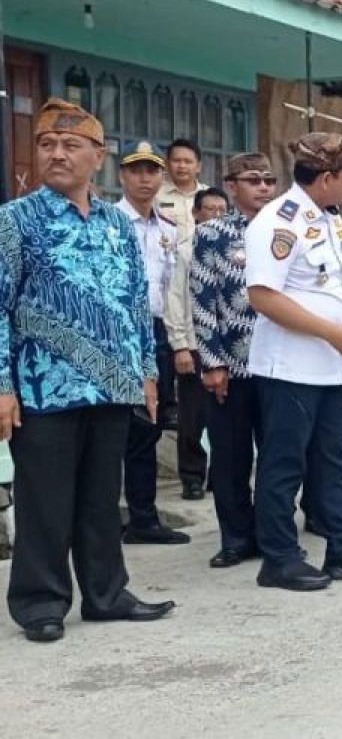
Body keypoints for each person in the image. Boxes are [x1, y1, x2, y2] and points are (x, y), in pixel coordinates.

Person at [0, 99, 175, 643]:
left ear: (97, 157)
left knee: (102, 499)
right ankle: (40, 602)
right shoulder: (15, 221)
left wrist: (146, 373)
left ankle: (106, 593)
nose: (57, 153)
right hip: (43, 387)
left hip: (112, 386)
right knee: (45, 503)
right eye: (48, 144)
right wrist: (3, 384)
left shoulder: (116, 225)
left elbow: (134, 301)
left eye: (71, 145)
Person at [245, 132, 342, 590]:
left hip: (330, 367)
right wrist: (331, 332)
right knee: (283, 464)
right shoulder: (279, 221)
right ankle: (279, 558)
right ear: (328, 177)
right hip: (290, 367)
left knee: (331, 461)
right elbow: (263, 297)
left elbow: (334, 276)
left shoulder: (327, 218)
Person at [191, 153, 277, 568]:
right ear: (231, 185)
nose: (263, 187)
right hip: (234, 362)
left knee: (277, 453)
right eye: (253, 180)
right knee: (230, 456)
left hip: (279, 362)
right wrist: (212, 361)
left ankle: (271, 531)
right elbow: (204, 298)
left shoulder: (285, 229)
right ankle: (236, 538)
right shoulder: (213, 234)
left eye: (268, 180)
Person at [114, 140, 190, 546]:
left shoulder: (168, 230)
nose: (145, 178)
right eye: (136, 170)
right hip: (117, 336)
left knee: (149, 426)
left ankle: (143, 517)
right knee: (113, 427)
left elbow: (172, 289)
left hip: (158, 333)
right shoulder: (109, 222)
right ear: (121, 175)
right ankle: (105, 518)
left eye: (152, 170)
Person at [164, 186, 229, 500]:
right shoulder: (186, 251)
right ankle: (191, 476)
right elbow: (176, 298)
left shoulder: (234, 249)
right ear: (195, 213)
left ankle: (221, 474)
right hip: (194, 344)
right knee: (191, 417)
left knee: (227, 415)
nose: (216, 216)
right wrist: (180, 344)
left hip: (228, 347)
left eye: (221, 210)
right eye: (209, 210)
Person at [156, 138, 207, 240]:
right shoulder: (155, 194)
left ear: (198, 167)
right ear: (166, 164)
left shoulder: (208, 196)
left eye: (188, 162)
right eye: (176, 161)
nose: (182, 166)